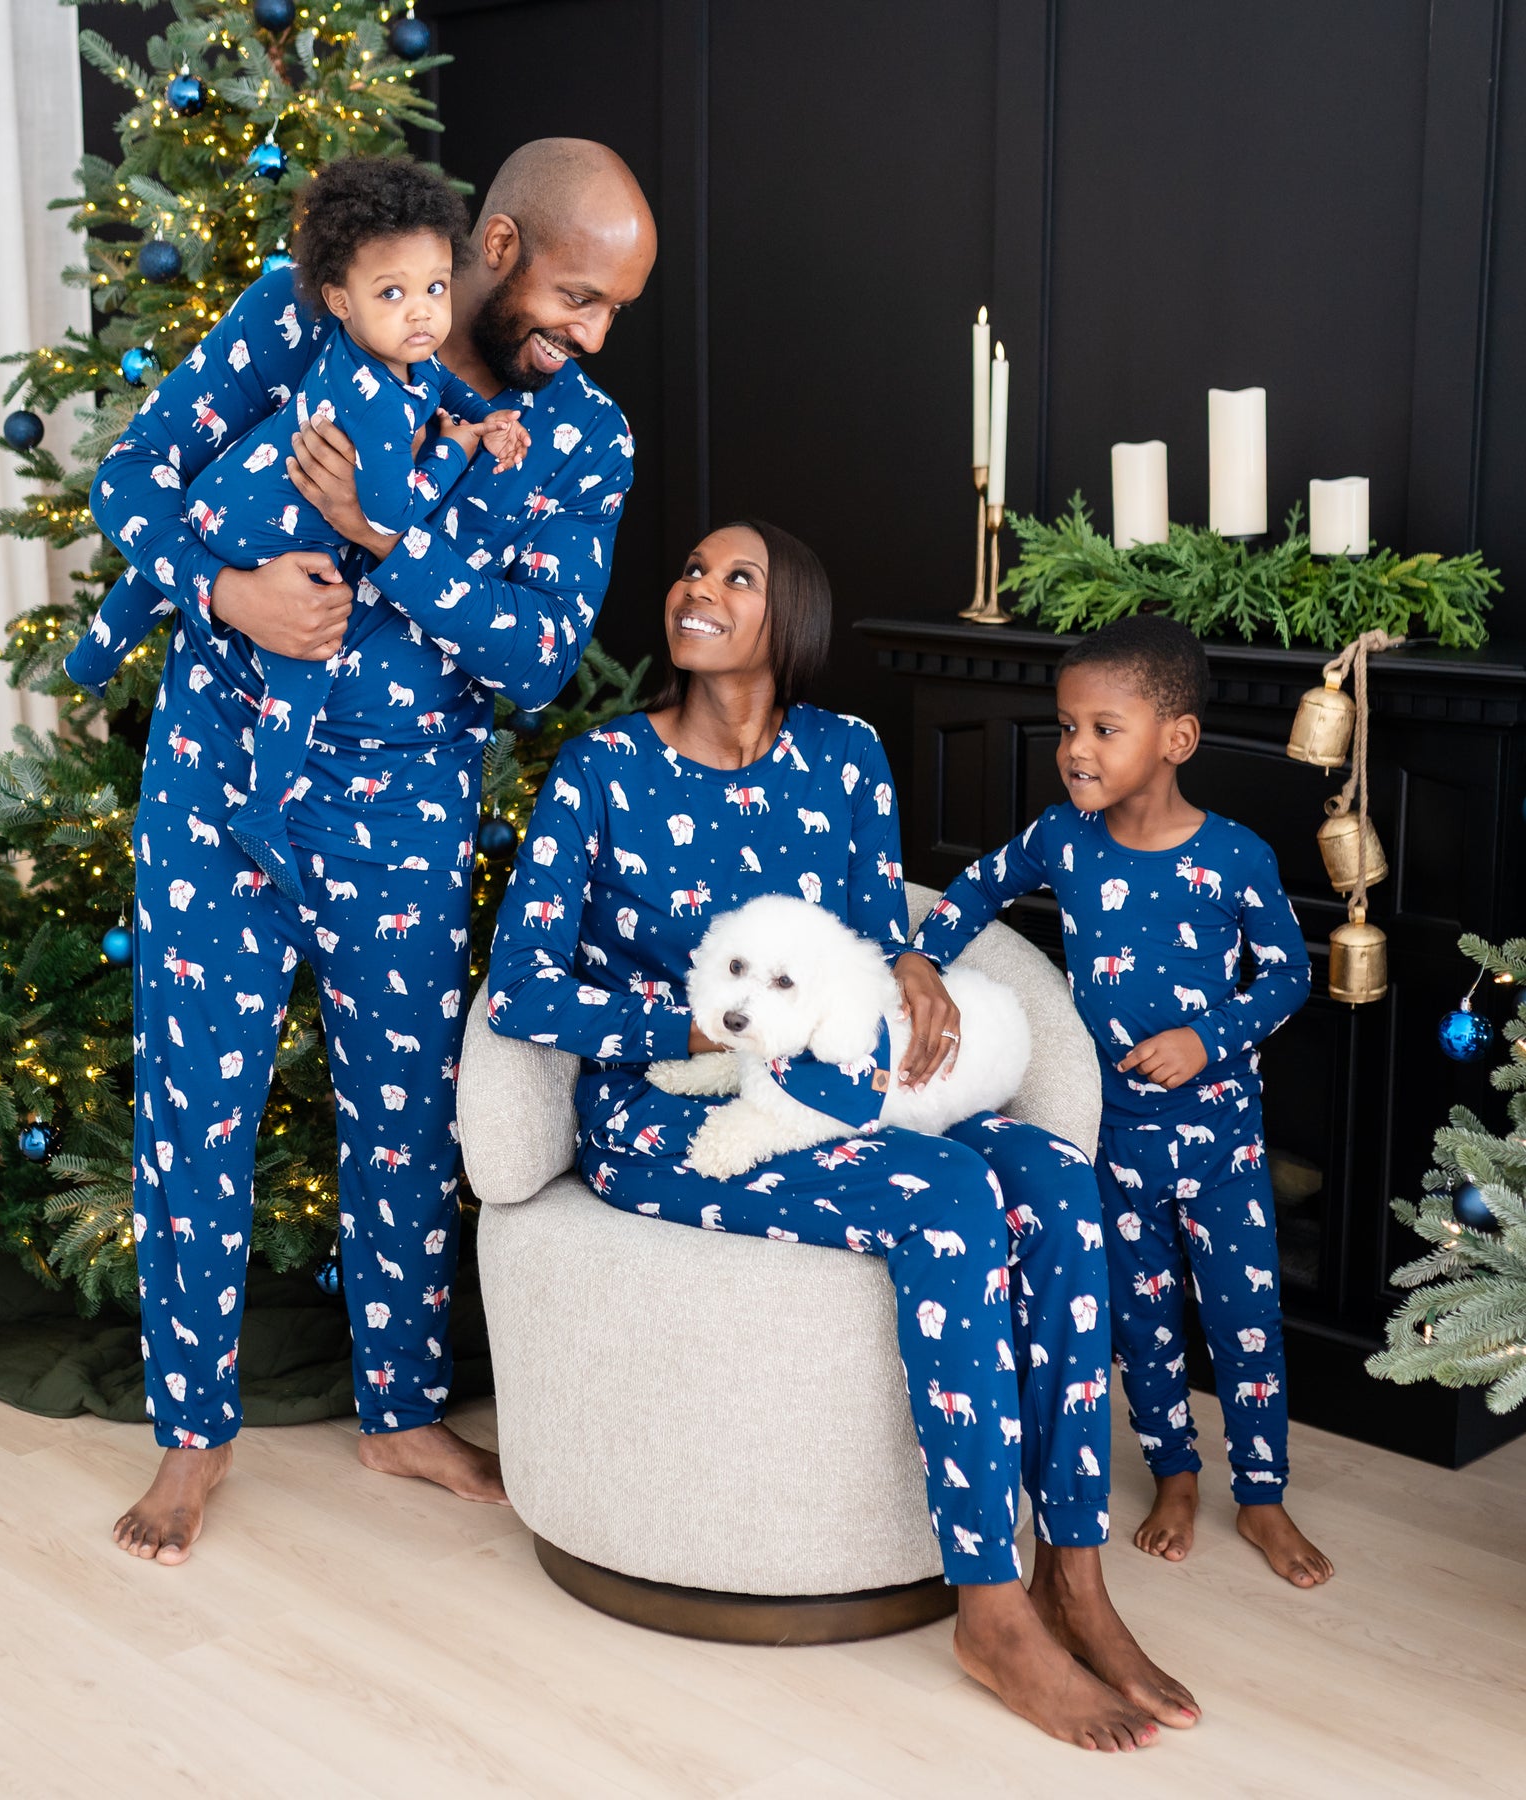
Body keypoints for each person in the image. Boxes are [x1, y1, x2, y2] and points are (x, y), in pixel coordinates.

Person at [488, 522, 1200, 1751]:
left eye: (737, 577)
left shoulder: (845, 754)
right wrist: (706, 1027)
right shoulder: (604, 770)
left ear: (791, 617)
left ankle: (1072, 1573)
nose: (698, 590)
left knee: (1047, 1174)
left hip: (830, 1086)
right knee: (949, 1198)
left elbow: (878, 927)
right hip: (673, 1107)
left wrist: (917, 965)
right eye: (694, 572)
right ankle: (990, 1604)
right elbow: (519, 989)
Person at [86, 139, 657, 1563]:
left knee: (402, 1118)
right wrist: (226, 593)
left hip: (404, 816)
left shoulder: (585, 435)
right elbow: (133, 474)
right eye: (579, 297)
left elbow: (536, 659)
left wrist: (385, 539)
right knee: (191, 1114)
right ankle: (191, 1436)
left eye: (614, 317)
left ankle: (398, 1410)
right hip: (220, 788)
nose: (589, 337)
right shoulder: (309, 313)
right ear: (503, 246)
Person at [910, 614, 1333, 1589]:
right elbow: (972, 890)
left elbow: (1286, 978)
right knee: (1139, 1323)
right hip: (1114, 1139)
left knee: (1245, 1316)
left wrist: (1204, 1039)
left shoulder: (1235, 855)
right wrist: (918, 959)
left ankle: (1262, 1496)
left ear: (1175, 739)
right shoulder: (1063, 839)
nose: (1075, 751)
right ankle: (1174, 1474)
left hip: (1221, 1141)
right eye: (1066, 728)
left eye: (1105, 728)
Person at [71, 158, 529, 899]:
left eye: (434, 289)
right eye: (394, 294)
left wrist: (480, 414)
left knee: (163, 560)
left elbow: (441, 384)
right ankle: (263, 808)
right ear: (338, 300)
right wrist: (457, 446)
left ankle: (92, 658)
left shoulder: (395, 354)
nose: (421, 313)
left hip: (227, 496)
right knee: (306, 659)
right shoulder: (368, 396)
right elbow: (388, 513)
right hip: (267, 546)